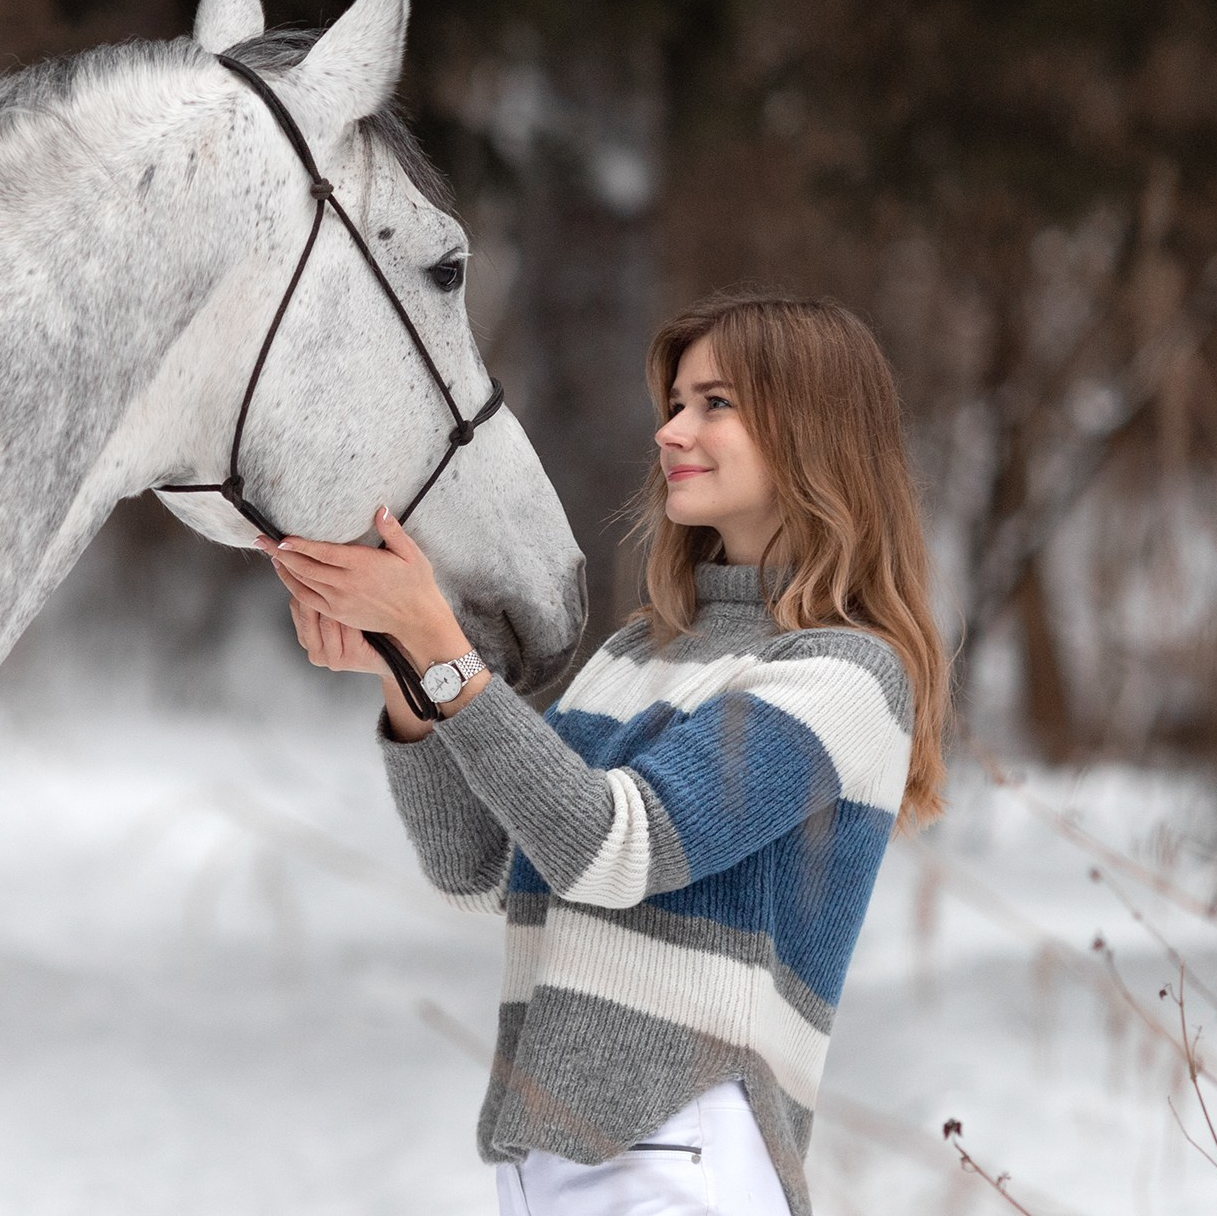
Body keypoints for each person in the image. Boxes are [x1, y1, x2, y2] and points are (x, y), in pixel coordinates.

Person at [257, 290, 951, 1216]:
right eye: (674, 404)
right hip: (559, 1163)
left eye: (715, 403)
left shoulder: (846, 673)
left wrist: (440, 648)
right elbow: (483, 862)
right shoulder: (641, 652)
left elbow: (617, 848)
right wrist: (401, 670)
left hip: (678, 1152)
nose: (671, 431)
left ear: (811, 428)